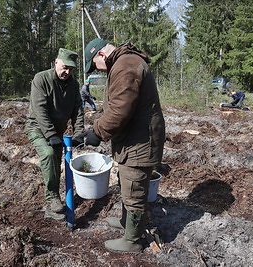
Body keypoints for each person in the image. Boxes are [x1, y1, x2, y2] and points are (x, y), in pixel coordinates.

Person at [80, 38, 166, 252]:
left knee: (134, 187)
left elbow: (120, 110)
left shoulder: (125, 65)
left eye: (94, 65)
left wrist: (97, 132)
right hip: (134, 138)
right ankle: (127, 224)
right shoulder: (124, 62)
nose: (96, 70)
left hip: (140, 141)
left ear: (100, 55)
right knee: (127, 182)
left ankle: (133, 240)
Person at [24, 48, 85, 221]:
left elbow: (77, 110)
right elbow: (40, 109)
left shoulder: (73, 84)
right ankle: (51, 199)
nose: (67, 72)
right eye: (65, 67)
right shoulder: (41, 79)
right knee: (49, 155)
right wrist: (50, 134)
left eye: (71, 69)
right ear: (56, 62)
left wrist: (79, 132)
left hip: (57, 131)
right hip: (37, 127)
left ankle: (52, 207)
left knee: (56, 165)